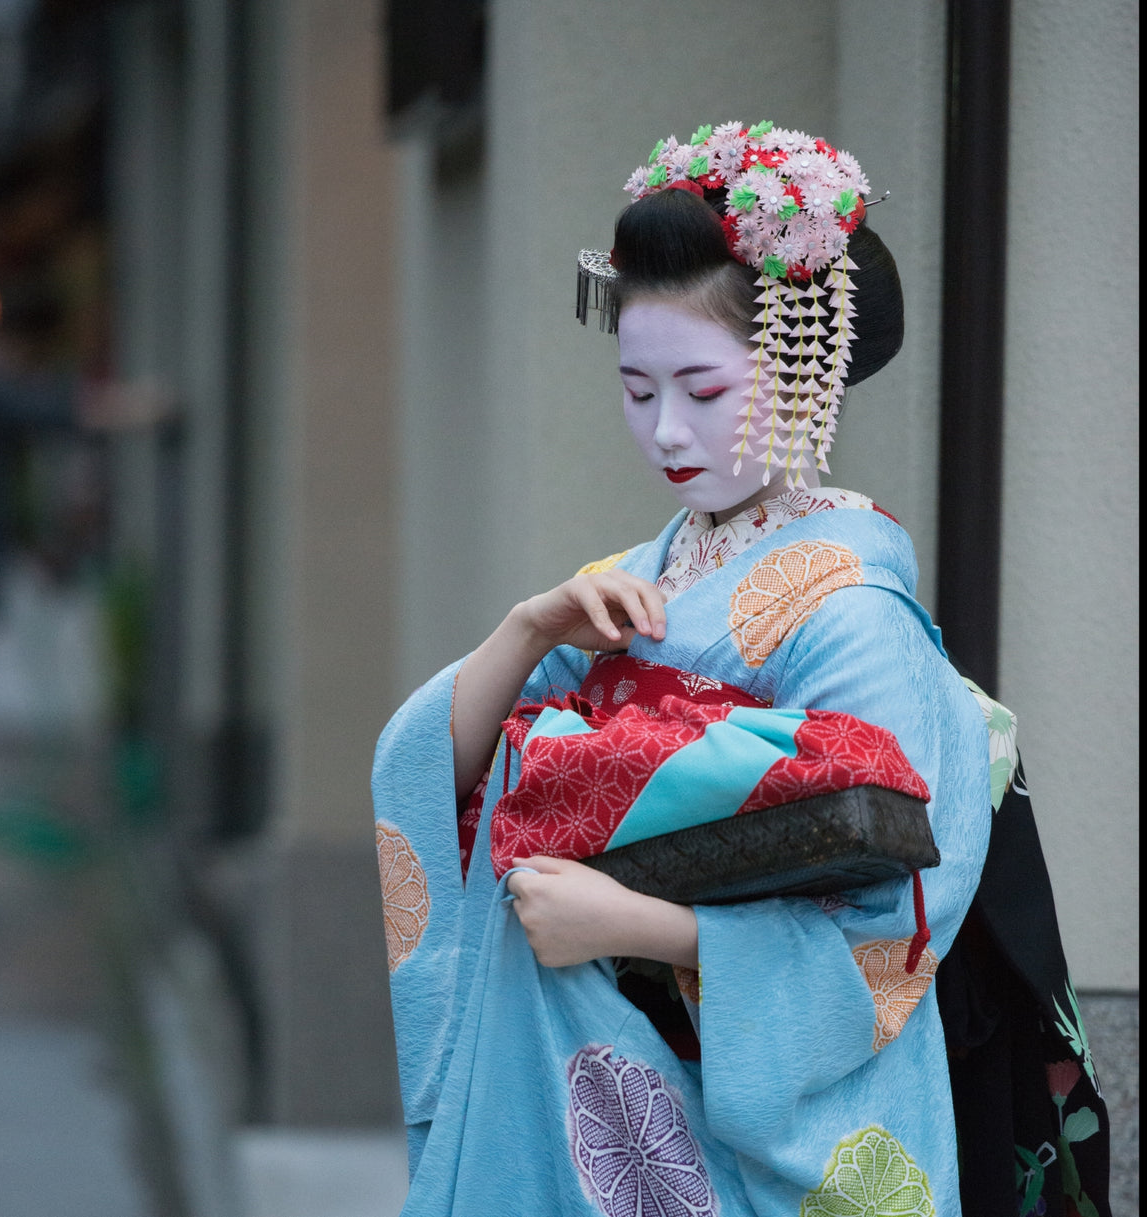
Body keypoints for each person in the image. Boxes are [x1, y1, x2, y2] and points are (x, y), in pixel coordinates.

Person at [373, 122, 1106, 1217]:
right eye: (635, 387)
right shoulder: (626, 582)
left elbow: (890, 928)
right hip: (594, 1087)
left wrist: (636, 926)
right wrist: (527, 629)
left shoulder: (855, 615)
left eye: (705, 392)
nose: (665, 428)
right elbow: (428, 774)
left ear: (802, 363)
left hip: (761, 1121)